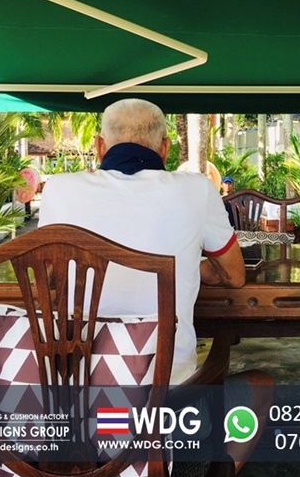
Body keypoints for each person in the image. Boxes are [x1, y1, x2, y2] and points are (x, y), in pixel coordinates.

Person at [38, 99, 245, 384]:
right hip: (167, 390)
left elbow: (49, 276)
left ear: (99, 146)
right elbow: (235, 275)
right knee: (260, 383)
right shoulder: (198, 189)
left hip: (77, 390)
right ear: (165, 148)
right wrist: (187, 265)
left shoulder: (59, 189)